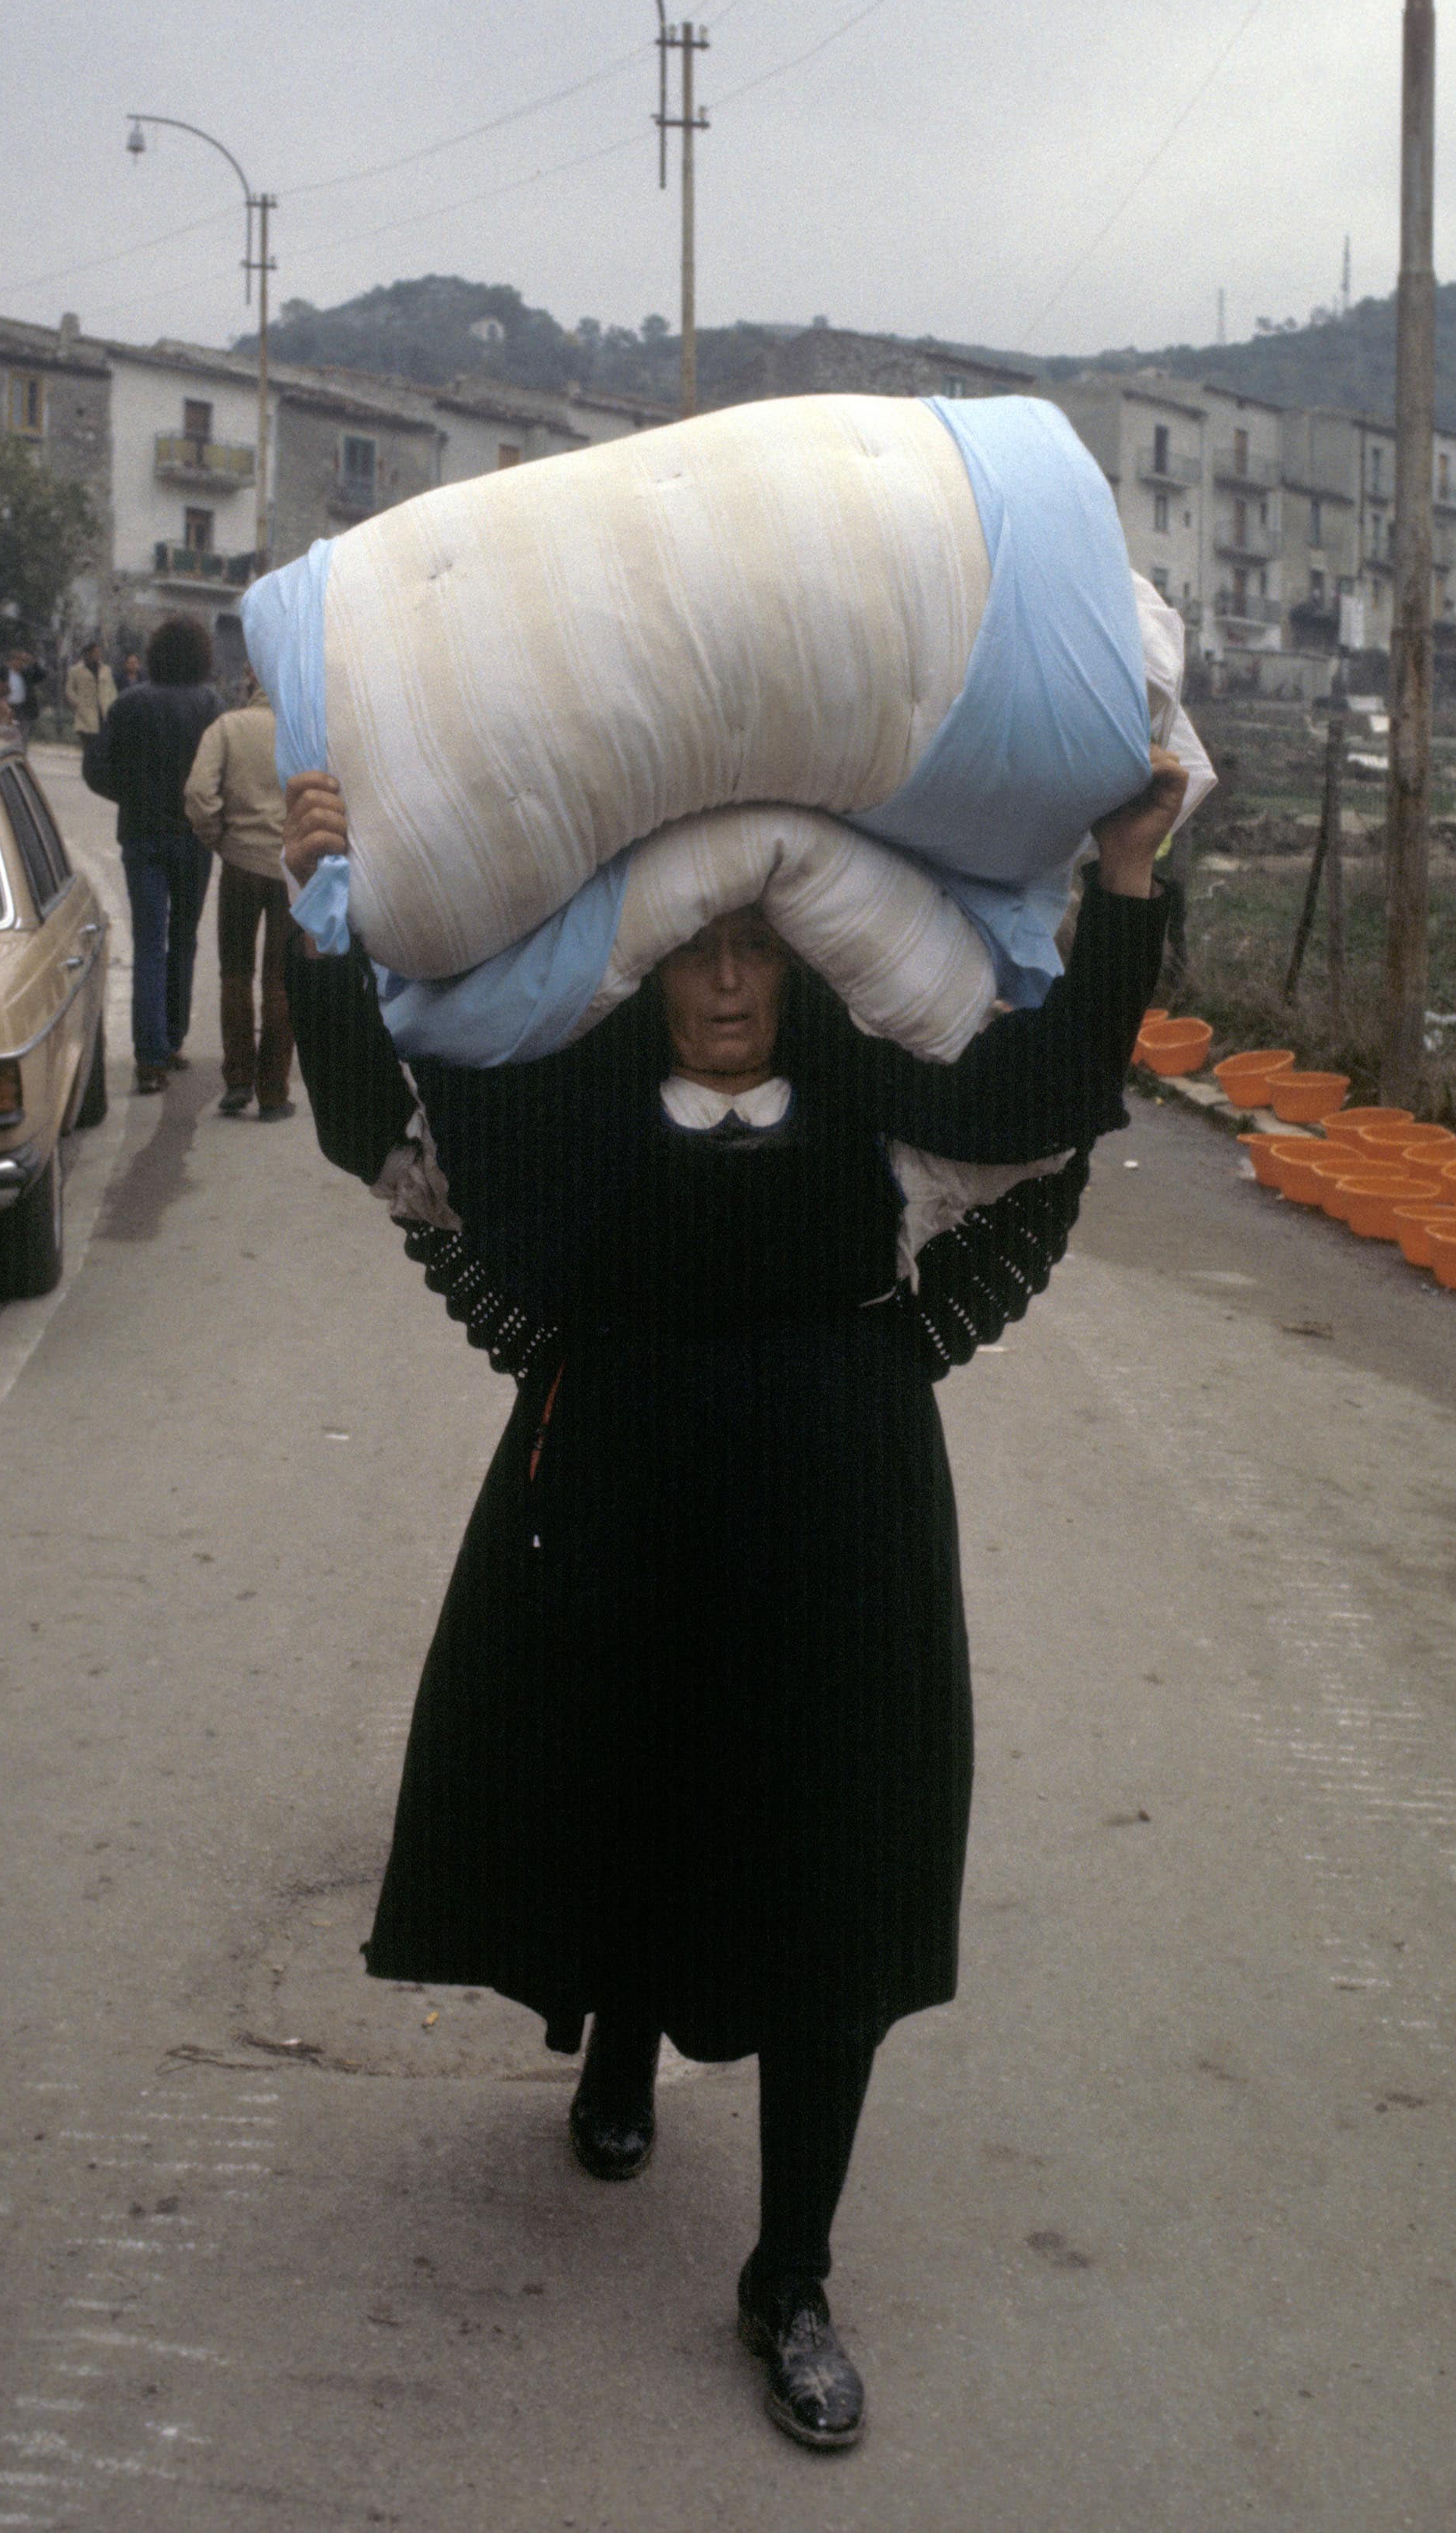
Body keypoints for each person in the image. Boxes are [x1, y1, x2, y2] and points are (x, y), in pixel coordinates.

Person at [280, 747, 1183, 2453]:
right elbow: (375, 1121)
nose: (720, 981)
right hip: (613, 1483)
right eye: (689, 947)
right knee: (624, 1780)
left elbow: (1058, 1086)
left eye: (753, 947)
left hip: (841, 1505)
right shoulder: (558, 1109)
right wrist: (312, 903)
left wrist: (1126, 885)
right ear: (640, 966)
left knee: (838, 1851)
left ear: (803, 964)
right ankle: (622, 2044)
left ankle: (789, 2272)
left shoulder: (881, 1113)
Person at [83, 615, 220, 1093]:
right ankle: (174, 1036)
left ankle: (150, 1057)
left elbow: (97, 771)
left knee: (148, 944)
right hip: (194, 838)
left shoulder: (129, 704)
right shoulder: (210, 706)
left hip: (141, 836)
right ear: (202, 656)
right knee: (184, 938)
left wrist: (133, 796)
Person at [183, 669, 297, 1120]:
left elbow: (197, 793)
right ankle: (273, 1092)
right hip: (291, 871)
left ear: (252, 684)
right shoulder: (307, 732)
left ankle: (237, 1081)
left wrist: (219, 839)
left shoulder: (228, 727)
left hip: (240, 865)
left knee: (235, 973)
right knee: (281, 981)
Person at [66, 639, 116, 754]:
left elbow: (112, 690)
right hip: (86, 715)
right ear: (87, 654)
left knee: (103, 748)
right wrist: (79, 704)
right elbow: (69, 690)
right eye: (94, 652)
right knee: (89, 749)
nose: (97, 655)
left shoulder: (106, 670)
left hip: (104, 714)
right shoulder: (75, 670)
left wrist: (112, 705)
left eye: (98, 652)